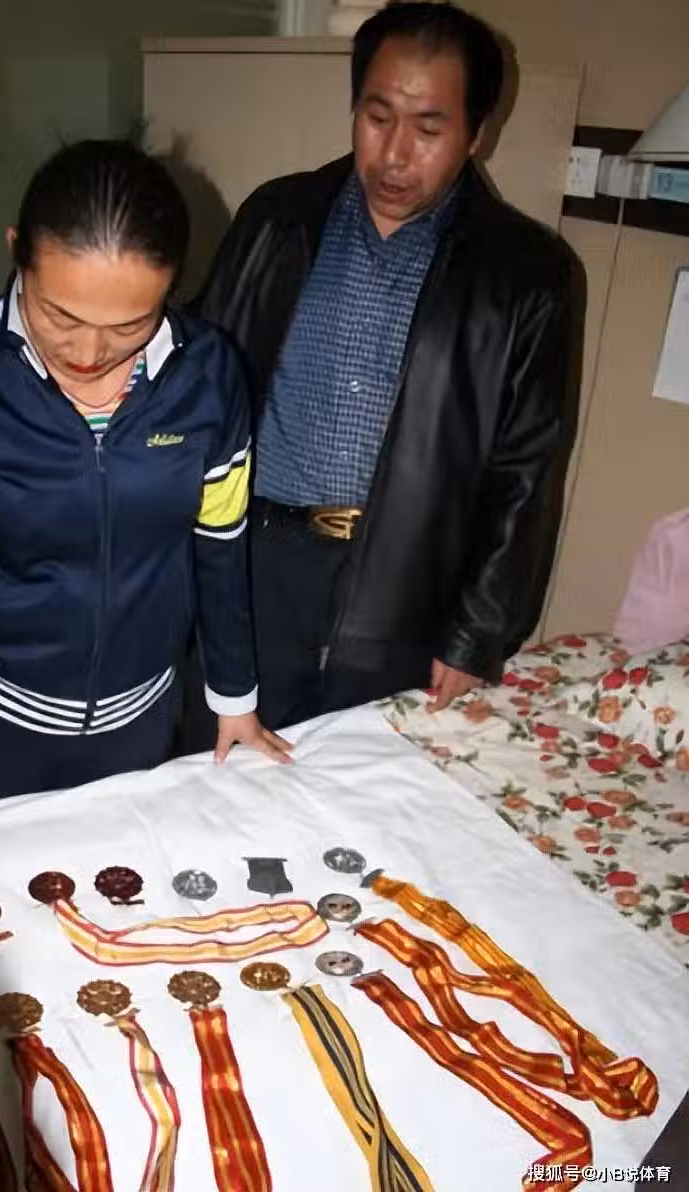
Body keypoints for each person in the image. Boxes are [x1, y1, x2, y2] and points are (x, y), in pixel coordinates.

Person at [0, 139, 290, 869]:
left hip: (141, 726)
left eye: (129, 326)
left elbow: (219, 546)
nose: (89, 353)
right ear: (17, 253)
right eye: (60, 316)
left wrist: (233, 698)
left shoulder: (209, 375)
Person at [179, 0, 583, 750]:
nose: (395, 154)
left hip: (406, 580)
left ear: (477, 133)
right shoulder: (278, 218)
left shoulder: (525, 272)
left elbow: (524, 468)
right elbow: (198, 367)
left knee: (361, 790)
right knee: (211, 769)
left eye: (429, 129)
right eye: (377, 118)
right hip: (256, 562)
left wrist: (478, 630)